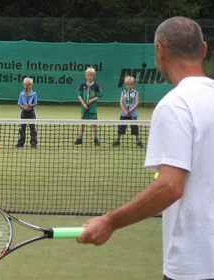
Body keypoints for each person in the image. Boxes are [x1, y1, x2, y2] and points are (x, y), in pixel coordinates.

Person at [77, 16, 214, 280]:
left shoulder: (174, 105)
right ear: (204, 50)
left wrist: (110, 221)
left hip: (195, 266)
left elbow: (170, 186)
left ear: (159, 51)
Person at [112, 75, 144, 148]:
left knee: (135, 128)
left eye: (130, 84)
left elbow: (136, 103)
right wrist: (125, 111)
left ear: (133, 84)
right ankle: (117, 140)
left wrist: (130, 110)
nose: (129, 86)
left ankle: (138, 141)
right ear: (125, 85)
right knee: (121, 127)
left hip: (133, 114)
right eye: (127, 85)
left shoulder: (136, 93)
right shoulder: (123, 92)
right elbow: (121, 102)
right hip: (124, 114)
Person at [73, 67, 102, 146]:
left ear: (93, 76)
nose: (89, 77)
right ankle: (80, 138)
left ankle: (96, 139)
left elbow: (98, 96)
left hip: (92, 108)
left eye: (91, 75)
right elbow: (79, 95)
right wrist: (84, 104)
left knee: (94, 124)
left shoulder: (96, 86)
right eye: (88, 75)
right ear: (86, 76)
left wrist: (91, 101)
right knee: (82, 123)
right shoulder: (82, 85)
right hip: (84, 108)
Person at [15, 77, 38, 148]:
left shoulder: (34, 94)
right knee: (22, 128)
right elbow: (19, 103)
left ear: (32, 85)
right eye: (26, 85)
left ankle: (33, 142)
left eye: (29, 85)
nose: (28, 87)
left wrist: (30, 105)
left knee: (33, 128)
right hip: (24, 112)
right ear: (23, 85)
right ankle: (21, 142)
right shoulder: (21, 94)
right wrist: (25, 107)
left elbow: (35, 103)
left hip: (31, 112)